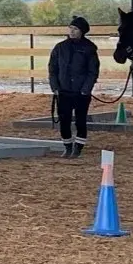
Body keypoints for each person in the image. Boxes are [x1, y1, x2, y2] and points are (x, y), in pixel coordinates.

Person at [47, 15, 99, 158]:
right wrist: (55, 87)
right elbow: (53, 68)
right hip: (63, 91)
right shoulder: (60, 48)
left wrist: (85, 89)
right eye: (71, 28)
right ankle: (67, 145)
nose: (72, 31)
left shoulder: (89, 49)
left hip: (81, 92)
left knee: (80, 120)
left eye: (75, 29)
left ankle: (78, 147)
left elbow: (93, 71)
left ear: (82, 31)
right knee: (64, 120)